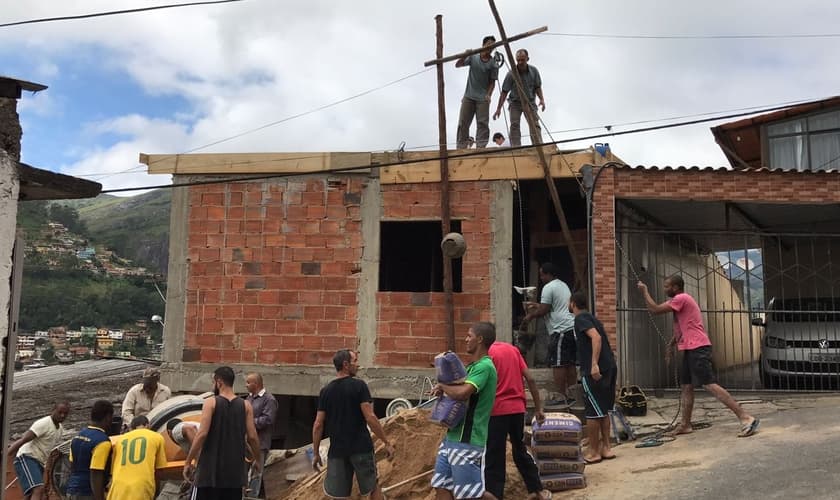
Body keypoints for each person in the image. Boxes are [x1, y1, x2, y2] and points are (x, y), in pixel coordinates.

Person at [637, 275, 760, 438]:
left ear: (675, 287)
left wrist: (644, 291)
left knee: (709, 384)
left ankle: (746, 417)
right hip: (690, 347)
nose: (664, 288)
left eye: (667, 286)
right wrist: (672, 344)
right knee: (686, 386)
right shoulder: (683, 301)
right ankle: (685, 424)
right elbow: (685, 326)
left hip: (698, 347)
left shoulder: (681, 298)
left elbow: (655, 309)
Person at [311, 350, 394, 500]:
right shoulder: (359, 386)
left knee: (340, 495)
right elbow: (370, 417)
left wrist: (316, 453)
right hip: (361, 448)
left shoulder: (326, 391)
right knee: (373, 488)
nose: (358, 364)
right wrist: (386, 442)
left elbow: (318, 424)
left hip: (337, 451)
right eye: (355, 361)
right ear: (345, 365)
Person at [431, 322, 499, 500]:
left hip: (467, 441)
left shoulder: (485, 367)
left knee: (470, 495)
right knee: (441, 486)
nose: (466, 339)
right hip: (452, 438)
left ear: (480, 339)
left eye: (469, 336)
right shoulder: (471, 367)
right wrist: (443, 389)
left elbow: (462, 394)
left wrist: (443, 386)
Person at [184, 366, 262, 500]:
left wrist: (188, 461)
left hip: (208, 474)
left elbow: (202, 434)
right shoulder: (245, 405)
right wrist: (258, 459)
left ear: (219, 382)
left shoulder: (210, 403)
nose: (213, 385)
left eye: (213, 382)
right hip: (234, 476)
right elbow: (252, 437)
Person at [486, 341, 550, 500]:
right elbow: (531, 379)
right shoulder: (513, 350)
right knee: (520, 450)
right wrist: (538, 408)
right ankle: (537, 490)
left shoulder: (487, 355)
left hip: (497, 411)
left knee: (495, 455)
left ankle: (494, 495)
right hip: (517, 410)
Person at [569, 291, 617, 464]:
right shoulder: (593, 318)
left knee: (592, 413)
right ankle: (606, 448)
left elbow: (596, 338)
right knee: (603, 410)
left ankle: (594, 452)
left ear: (573, 303)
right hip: (609, 366)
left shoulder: (580, 319)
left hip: (595, 370)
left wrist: (594, 364)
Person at [523, 263, 576, 406]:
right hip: (571, 327)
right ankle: (573, 395)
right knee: (570, 363)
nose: (540, 278)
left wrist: (530, 316)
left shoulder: (548, 287)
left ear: (548, 274)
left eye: (542, 275)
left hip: (560, 330)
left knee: (558, 364)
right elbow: (554, 306)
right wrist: (536, 305)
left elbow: (544, 310)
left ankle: (560, 396)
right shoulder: (562, 285)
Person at [7, 402, 70, 500]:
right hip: (26, 457)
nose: (62, 415)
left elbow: (47, 449)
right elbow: (23, 439)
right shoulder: (44, 423)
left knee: (30, 494)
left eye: (65, 413)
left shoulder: (60, 430)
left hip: (39, 462)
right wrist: (7, 454)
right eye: (60, 412)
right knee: (38, 489)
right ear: (53, 411)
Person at [492, 49, 545, 147]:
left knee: (534, 124)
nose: (520, 62)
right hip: (515, 102)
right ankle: (516, 147)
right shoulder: (511, 73)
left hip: (529, 101)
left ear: (527, 59)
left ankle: (538, 146)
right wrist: (499, 108)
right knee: (514, 125)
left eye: (522, 60)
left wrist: (542, 99)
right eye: (518, 60)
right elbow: (504, 92)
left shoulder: (534, 71)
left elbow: (537, 86)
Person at [107, 415, 168, 500]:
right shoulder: (157, 437)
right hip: (141, 486)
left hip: (118, 487)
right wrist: (156, 491)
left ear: (131, 428)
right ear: (147, 425)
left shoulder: (120, 440)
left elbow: (113, 469)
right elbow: (159, 470)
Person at [455, 35, 499, 149]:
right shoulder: (473, 57)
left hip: (482, 98)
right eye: (489, 44)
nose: (491, 47)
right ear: (483, 45)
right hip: (469, 96)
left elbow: (492, 82)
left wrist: (488, 95)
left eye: (493, 45)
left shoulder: (493, 63)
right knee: (463, 122)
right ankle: (461, 147)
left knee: (482, 123)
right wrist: (465, 55)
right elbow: (458, 65)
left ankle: (481, 147)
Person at [66, 401, 114, 500]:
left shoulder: (77, 437)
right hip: (87, 493)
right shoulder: (102, 441)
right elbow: (96, 472)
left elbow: (72, 465)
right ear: (108, 417)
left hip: (71, 492)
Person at [245, 372, 278, 497]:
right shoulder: (249, 398)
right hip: (246, 443)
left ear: (256, 384)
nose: (246, 385)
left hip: (260, 444)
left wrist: (249, 422)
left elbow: (268, 420)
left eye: (248, 382)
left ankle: (252, 497)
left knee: (256, 474)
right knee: (245, 474)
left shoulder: (269, 400)